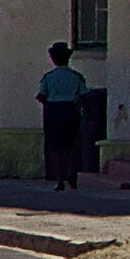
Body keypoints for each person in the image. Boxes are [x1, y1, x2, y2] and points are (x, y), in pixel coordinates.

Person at [38, 43, 88, 192]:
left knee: (56, 148)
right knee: (71, 147)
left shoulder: (49, 78)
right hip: (71, 111)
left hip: (53, 112)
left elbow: (41, 96)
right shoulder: (76, 77)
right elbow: (83, 96)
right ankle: (72, 177)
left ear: (53, 59)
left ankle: (60, 179)